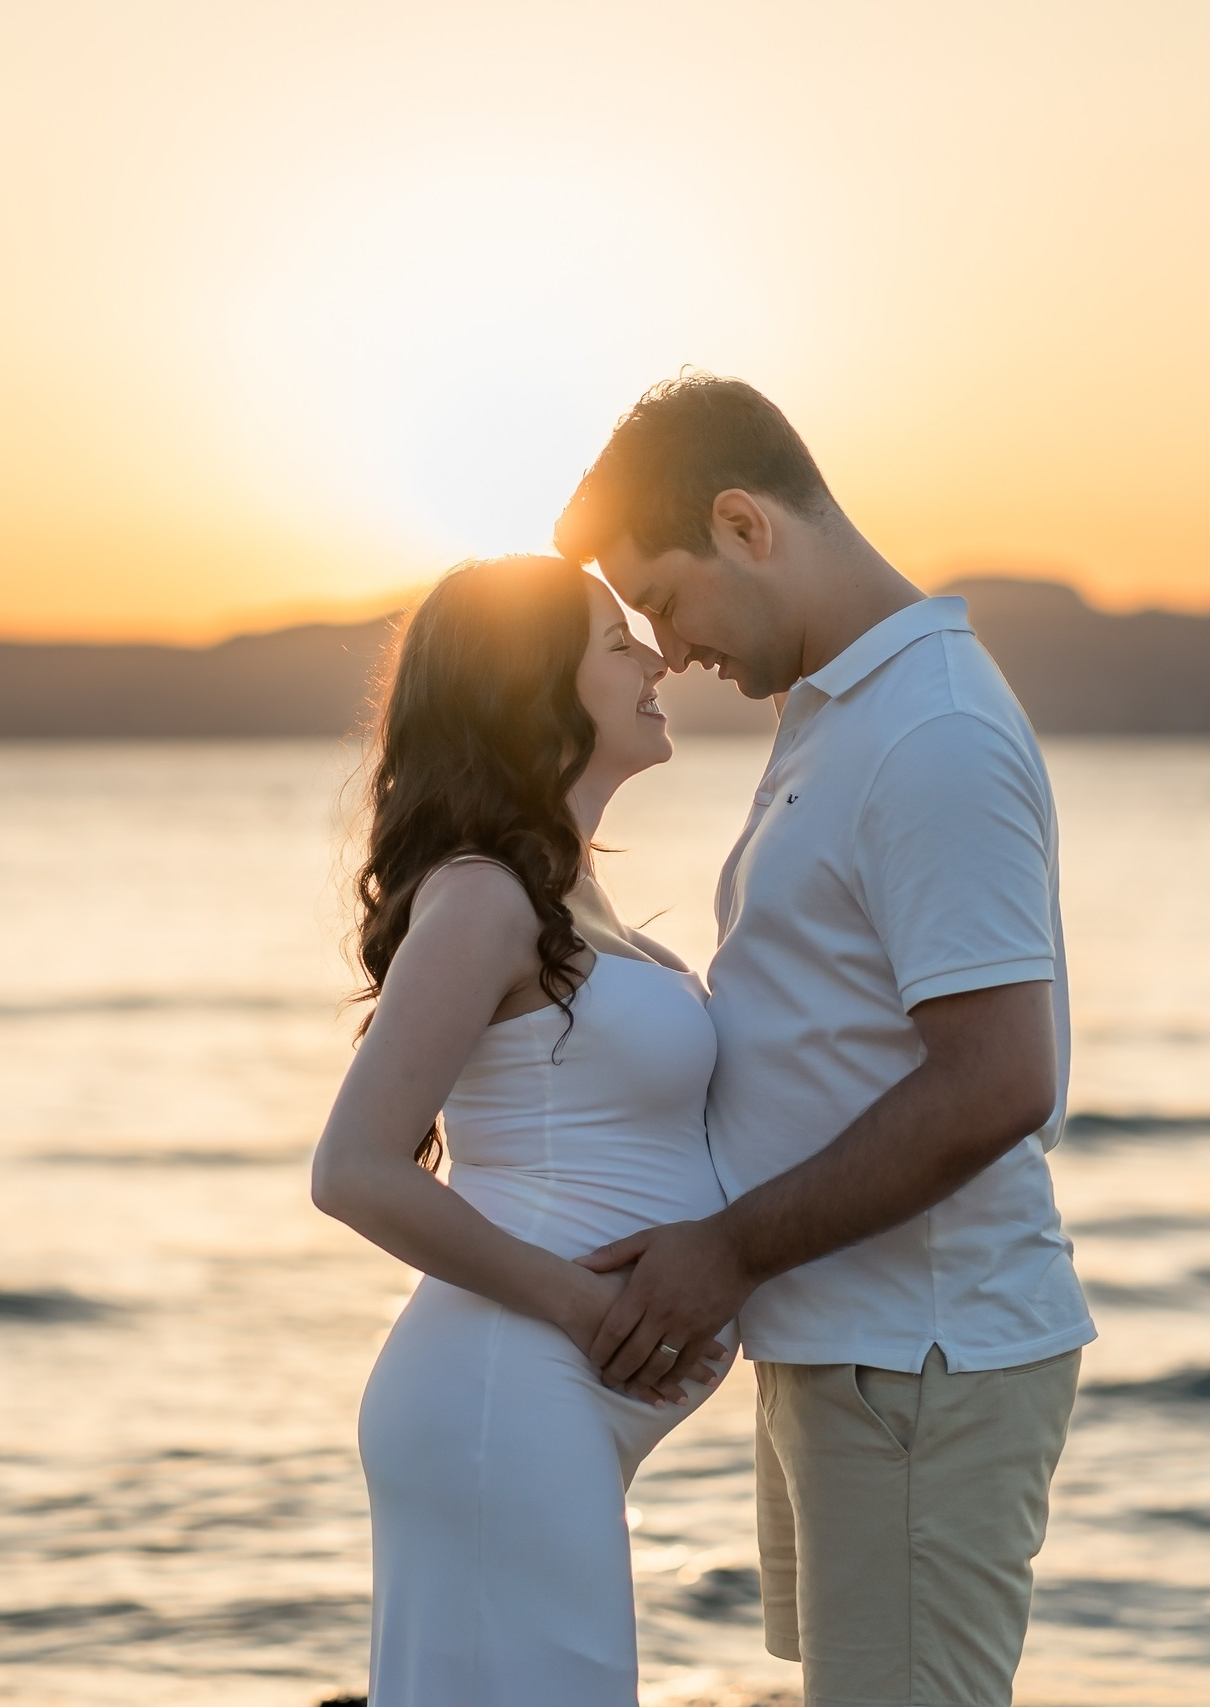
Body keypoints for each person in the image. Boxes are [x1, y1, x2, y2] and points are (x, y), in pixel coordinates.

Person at [554, 375, 1097, 1707]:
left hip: (918, 1356)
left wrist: (725, 1250)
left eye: (665, 602)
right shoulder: (843, 713)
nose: (667, 651)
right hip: (844, 1342)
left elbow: (1000, 1079)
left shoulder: (935, 732)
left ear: (745, 524)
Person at [310, 553, 736, 1706]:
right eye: (614, 643)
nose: (653, 659)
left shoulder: (563, 902)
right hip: (508, 1386)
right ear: (528, 687)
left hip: (543, 1397)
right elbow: (351, 1170)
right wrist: (586, 1306)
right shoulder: (485, 898)